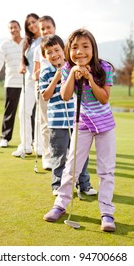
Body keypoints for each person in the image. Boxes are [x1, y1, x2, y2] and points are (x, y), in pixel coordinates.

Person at [43, 28, 116, 232]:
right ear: (69, 50)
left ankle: (107, 213)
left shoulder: (104, 68)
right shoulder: (67, 68)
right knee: (72, 167)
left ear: (93, 49)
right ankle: (60, 205)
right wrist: (72, 76)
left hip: (104, 126)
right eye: (75, 47)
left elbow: (104, 98)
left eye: (85, 46)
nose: (80, 52)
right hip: (82, 124)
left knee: (106, 171)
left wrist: (90, 79)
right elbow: (66, 96)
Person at [39, 34, 97, 196]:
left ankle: (83, 184)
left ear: (63, 51)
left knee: (80, 154)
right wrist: (56, 77)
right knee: (59, 155)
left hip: (76, 120)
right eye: (49, 52)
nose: (54, 54)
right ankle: (57, 185)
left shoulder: (72, 69)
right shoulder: (45, 72)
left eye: (57, 50)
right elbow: (45, 96)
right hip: (57, 123)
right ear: (45, 56)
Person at [0, 20, 24, 147]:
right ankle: (5, 137)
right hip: (11, 82)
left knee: (28, 112)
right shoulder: (5, 44)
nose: (13, 29)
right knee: (10, 111)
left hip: (27, 82)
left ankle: (30, 139)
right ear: (9, 30)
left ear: (20, 28)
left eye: (15, 27)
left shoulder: (27, 42)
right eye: (11, 28)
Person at [12, 13, 42, 157]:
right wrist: (22, 65)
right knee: (23, 112)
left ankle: (40, 146)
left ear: (39, 21)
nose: (31, 25)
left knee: (41, 116)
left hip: (42, 81)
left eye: (33, 22)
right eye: (29, 24)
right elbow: (23, 58)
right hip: (29, 80)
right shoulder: (28, 41)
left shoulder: (46, 39)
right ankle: (25, 146)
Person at [33, 16, 56, 170]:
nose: (46, 30)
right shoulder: (37, 50)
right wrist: (41, 73)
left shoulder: (62, 46)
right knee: (46, 124)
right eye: (43, 29)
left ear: (54, 27)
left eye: (48, 27)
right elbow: (35, 73)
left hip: (62, 89)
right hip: (44, 89)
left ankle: (63, 154)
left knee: (63, 124)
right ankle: (47, 157)